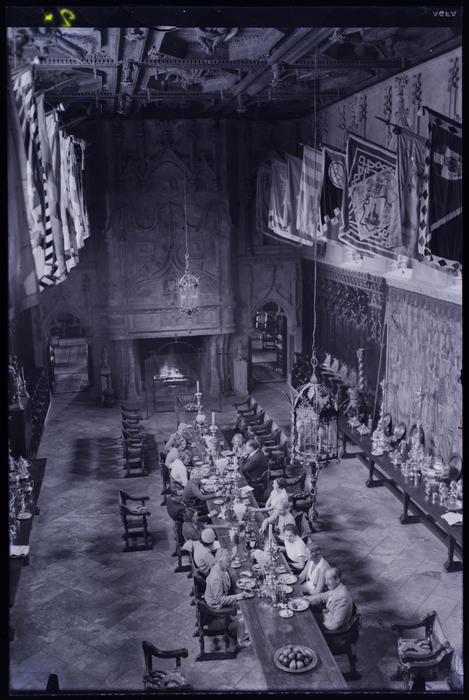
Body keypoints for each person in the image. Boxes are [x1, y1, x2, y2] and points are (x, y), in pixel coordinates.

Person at [204, 548, 251, 648]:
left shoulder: (218, 567)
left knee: (244, 605)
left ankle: (244, 632)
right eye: (228, 562)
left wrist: (231, 556)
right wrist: (237, 597)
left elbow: (225, 561)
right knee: (244, 614)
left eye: (230, 561)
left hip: (219, 600)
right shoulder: (216, 578)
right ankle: (240, 640)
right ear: (220, 562)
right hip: (216, 607)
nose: (230, 564)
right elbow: (220, 600)